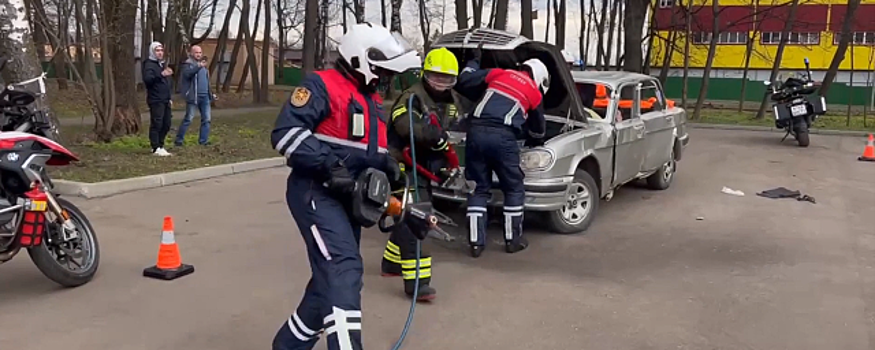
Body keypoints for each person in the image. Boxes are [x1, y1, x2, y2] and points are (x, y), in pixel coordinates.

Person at [269, 22, 421, 350]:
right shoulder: (321, 85)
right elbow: (286, 134)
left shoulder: (373, 102)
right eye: (381, 71)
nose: (385, 79)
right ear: (361, 60)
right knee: (343, 268)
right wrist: (329, 165)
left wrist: (390, 167)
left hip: (350, 199)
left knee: (328, 282)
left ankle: (287, 345)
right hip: (315, 192)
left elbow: (370, 150)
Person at [380, 47, 462, 301]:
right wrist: (431, 135)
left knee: (407, 215)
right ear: (425, 74)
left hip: (424, 166)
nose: (441, 84)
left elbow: (452, 133)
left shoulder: (451, 102)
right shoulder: (411, 98)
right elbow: (403, 126)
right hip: (401, 164)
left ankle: (392, 264)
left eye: (447, 79)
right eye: (436, 77)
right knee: (416, 217)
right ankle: (417, 283)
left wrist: (446, 161)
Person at [453, 47, 549, 258]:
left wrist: (473, 60)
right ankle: (512, 241)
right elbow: (539, 130)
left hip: (475, 132)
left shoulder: (499, 73)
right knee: (513, 188)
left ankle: (476, 244)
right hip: (504, 137)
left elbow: (465, 80)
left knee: (477, 188)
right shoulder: (534, 91)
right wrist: (534, 139)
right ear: (540, 79)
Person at [175, 45, 215, 146]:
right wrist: (198, 67)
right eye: (196, 52)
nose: (199, 54)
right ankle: (179, 140)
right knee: (189, 118)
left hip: (205, 96)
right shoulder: (188, 64)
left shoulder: (203, 65)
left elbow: (206, 80)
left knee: (206, 119)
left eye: (200, 52)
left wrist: (211, 93)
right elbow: (187, 74)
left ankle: (203, 141)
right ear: (192, 53)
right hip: (193, 96)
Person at [141, 41, 174, 156]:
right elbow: (148, 80)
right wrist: (161, 75)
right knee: (157, 123)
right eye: (157, 50)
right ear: (152, 51)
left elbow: (165, 84)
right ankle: (155, 147)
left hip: (165, 99)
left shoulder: (161, 64)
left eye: (161, 50)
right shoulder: (149, 64)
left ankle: (160, 144)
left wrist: (169, 97)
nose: (160, 53)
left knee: (167, 123)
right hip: (156, 99)